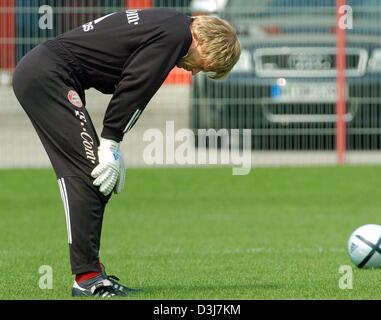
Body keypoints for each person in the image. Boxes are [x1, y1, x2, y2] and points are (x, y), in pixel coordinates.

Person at [12, 7, 240, 297]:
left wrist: (113, 146)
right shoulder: (176, 36)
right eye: (203, 66)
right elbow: (135, 87)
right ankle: (88, 279)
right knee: (89, 175)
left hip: (47, 72)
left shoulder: (172, 23)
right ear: (204, 42)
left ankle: (91, 273)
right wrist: (111, 143)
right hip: (48, 76)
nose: (194, 71)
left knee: (93, 175)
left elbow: (128, 79)